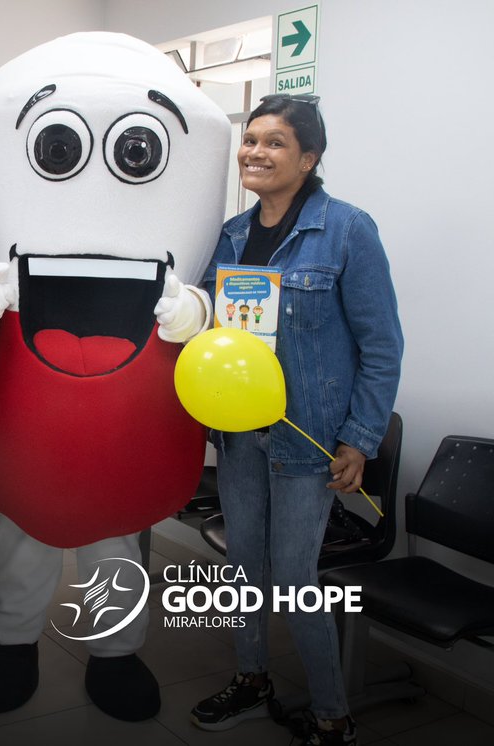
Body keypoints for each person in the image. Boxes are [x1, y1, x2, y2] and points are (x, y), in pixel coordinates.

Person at [179, 94, 402, 746]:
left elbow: (381, 345)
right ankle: (253, 679)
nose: (255, 152)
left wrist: (360, 439)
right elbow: (207, 330)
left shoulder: (347, 230)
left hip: (310, 441)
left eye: (274, 142)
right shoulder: (230, 236)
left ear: (309, 157)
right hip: (242, 437)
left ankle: (334, 715)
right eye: (250, 140)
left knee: (296, 580)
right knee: (243, 568)